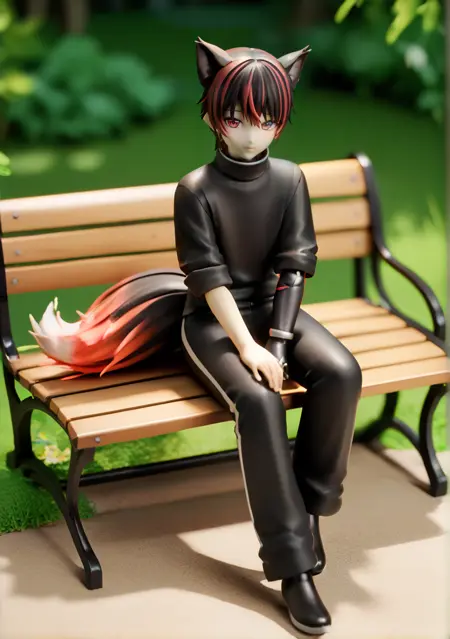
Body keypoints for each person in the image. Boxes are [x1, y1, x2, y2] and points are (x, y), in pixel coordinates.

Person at [29, 37, 362, 636]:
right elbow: (207, 279)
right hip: (212, 321)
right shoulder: (196, 189)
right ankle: (291, 566)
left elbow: (293, 268)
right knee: (258, 400)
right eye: (237, 118)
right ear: (212, 113)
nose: (252, 134)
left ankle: (312, 508)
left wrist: (277, 343)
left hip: (275, 315)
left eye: (266, 120)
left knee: (342, 372)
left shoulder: (290, 180)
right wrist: (249, 348)